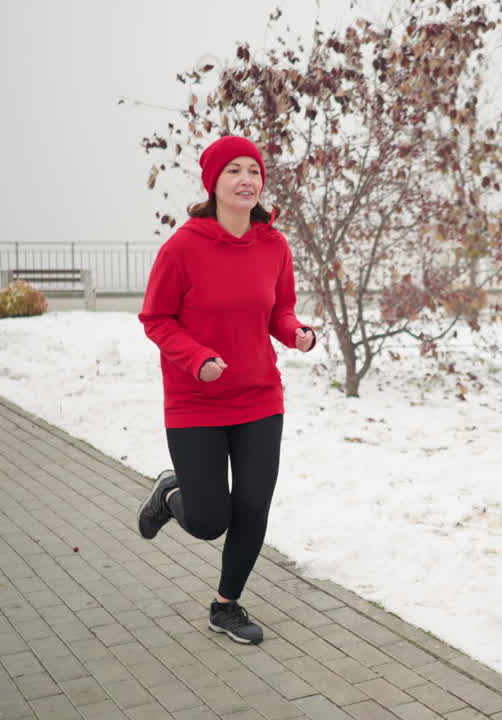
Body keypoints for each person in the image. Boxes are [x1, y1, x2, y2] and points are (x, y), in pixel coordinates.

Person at [136, 135, 316, 644]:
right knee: (211, 519)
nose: (246, 180)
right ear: (213, 183)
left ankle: (226, 606)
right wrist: (198, 360)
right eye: (234, 170)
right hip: (195, 402)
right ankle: (171, 492)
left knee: (254, 506)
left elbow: (278, 310)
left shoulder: (274, 245)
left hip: (259, 397)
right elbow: (157, 318)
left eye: (254, 171)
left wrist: (295, 332)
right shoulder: (184, 246)